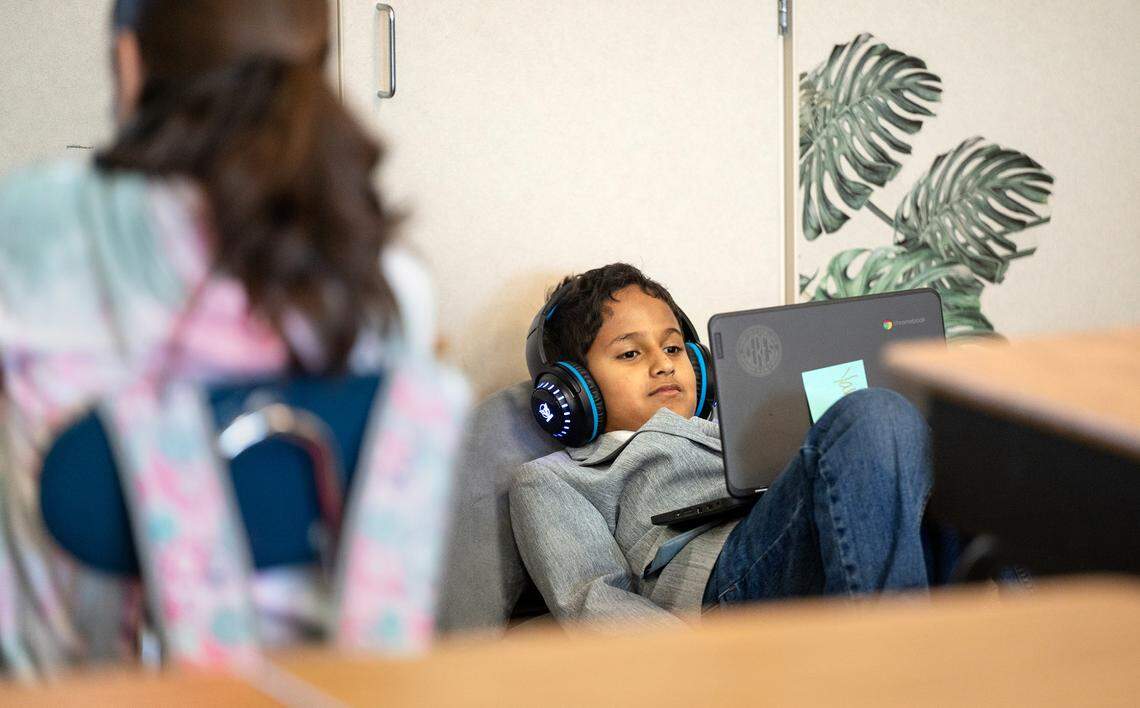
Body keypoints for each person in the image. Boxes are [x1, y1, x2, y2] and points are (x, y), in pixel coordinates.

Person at [0, 0, 461, 677]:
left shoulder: (32, 233)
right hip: (325, 686)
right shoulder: (390, 285)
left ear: (131, 63)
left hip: (69, 685)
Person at [510, 263, 956, 627]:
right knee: (873, 415)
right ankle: (900, 673)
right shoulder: (556, 478)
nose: (663, 366)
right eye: (630, 353)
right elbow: (592, 600)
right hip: (729, 581)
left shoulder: (739, 420)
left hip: (834, 531)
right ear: (571, 389)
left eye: (673, 348)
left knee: (971, 437)